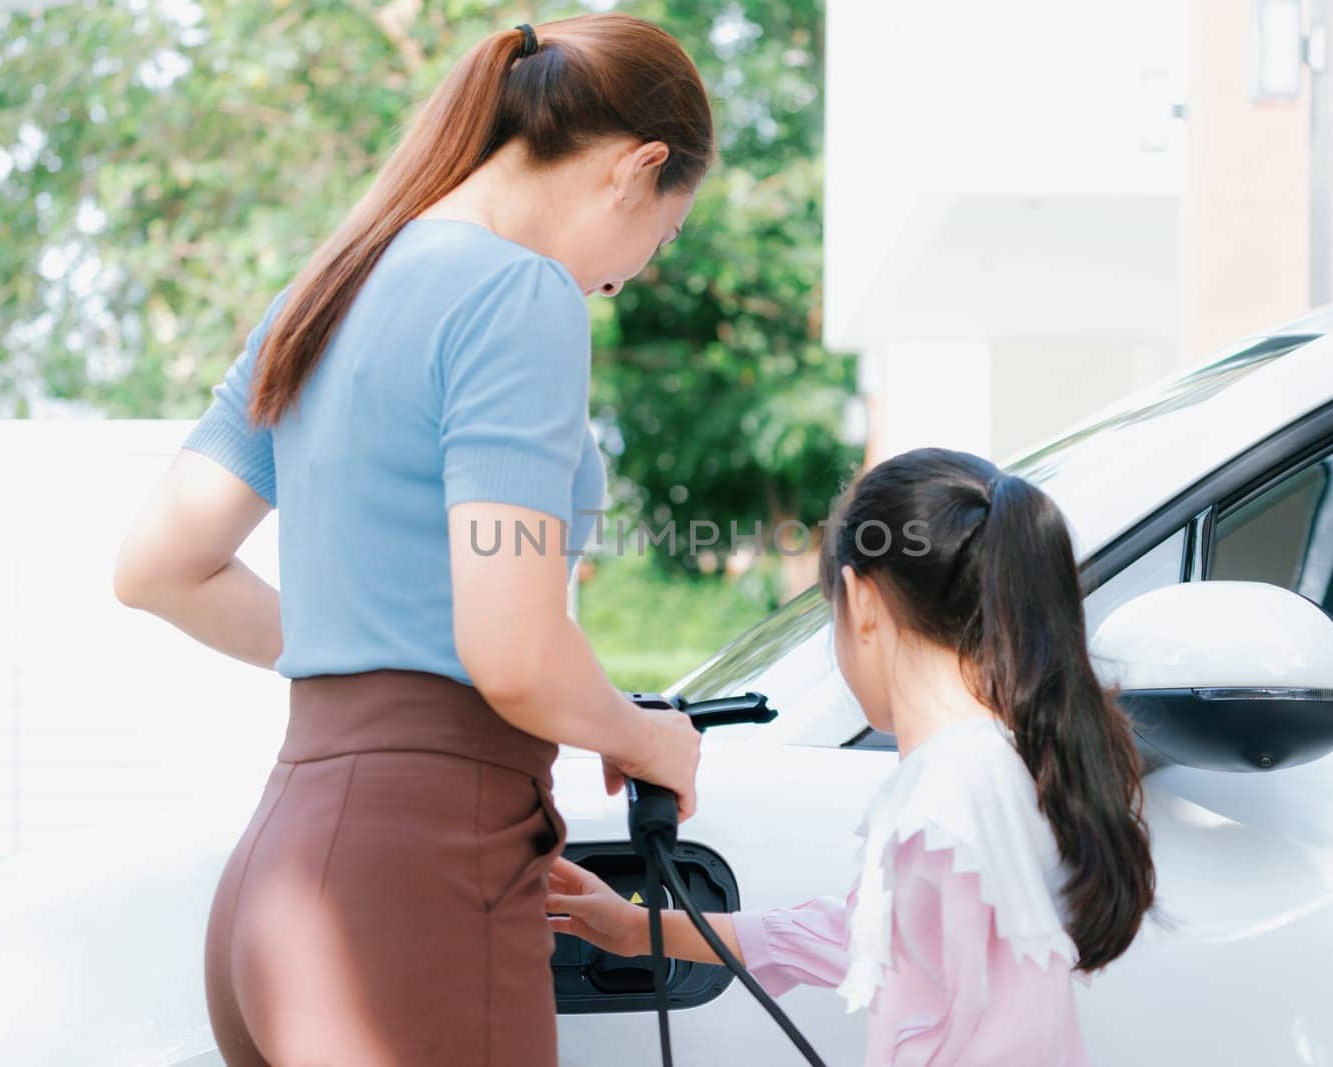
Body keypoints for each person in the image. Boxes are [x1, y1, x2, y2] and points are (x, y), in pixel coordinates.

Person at [112, 15, 712, 1065]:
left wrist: (374, 653)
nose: (627, 278)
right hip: (413, 881)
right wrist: (646, 734)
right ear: (638, 167)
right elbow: (514, 655)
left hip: (280, 878)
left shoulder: (327, 288)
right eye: (659, 241)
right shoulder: (518, 291)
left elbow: (161, 567)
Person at [545, 447, 1157, 1065]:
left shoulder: (950, 793)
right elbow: (868, 938)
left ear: (860, 603)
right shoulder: (991, 770)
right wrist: (638, 930)